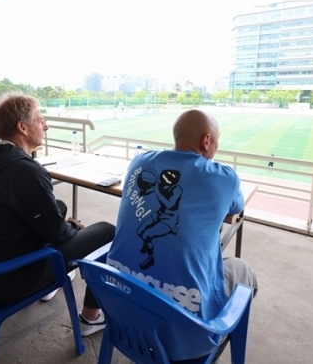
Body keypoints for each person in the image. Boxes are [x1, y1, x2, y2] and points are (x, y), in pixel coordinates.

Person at [106, 109, 258, 362]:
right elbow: (236, 207)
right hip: (184, 338)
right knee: (242, 270)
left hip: (124, 316)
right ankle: (218, 336)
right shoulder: (224, 177)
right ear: (206, 141)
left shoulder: (139, 161)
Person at [0, 93, 115, 337]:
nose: (46, 125)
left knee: (59, 205)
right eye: (41, 119)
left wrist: (65, 224)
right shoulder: (24, 170)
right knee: (107, 231)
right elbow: (57, 233)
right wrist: (75, 228)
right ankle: (91, 317)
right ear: (23, 127)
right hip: (9, 280)